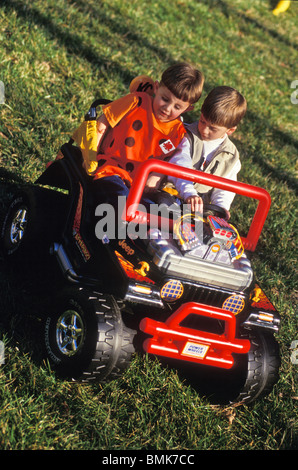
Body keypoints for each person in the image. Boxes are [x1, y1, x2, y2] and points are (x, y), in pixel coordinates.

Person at [91, 63, 204, 210]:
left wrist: (156, 176)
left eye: (177, 107)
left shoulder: (177, 133)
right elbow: (104, 120)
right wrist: (91, 153)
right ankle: (109, 230)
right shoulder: (136, 102)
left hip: (139, 185)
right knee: (122, 200)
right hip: (111, 168)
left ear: (187, 108)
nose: (167, 108)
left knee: (153, 210)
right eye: (165, 98)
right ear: (156, 88)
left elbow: (168, 158)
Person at [166, 86, 247, 219]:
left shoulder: (231, 157)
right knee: (162, 215)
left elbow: (225, 187)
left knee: (206, 231)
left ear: (230, 130)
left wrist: (221, 207)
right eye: (202, 121)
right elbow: (180, 164)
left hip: (200, 206)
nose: (204, 130)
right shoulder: (184, 135)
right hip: (171, 192)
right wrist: (189, 193)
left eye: (212, 129)